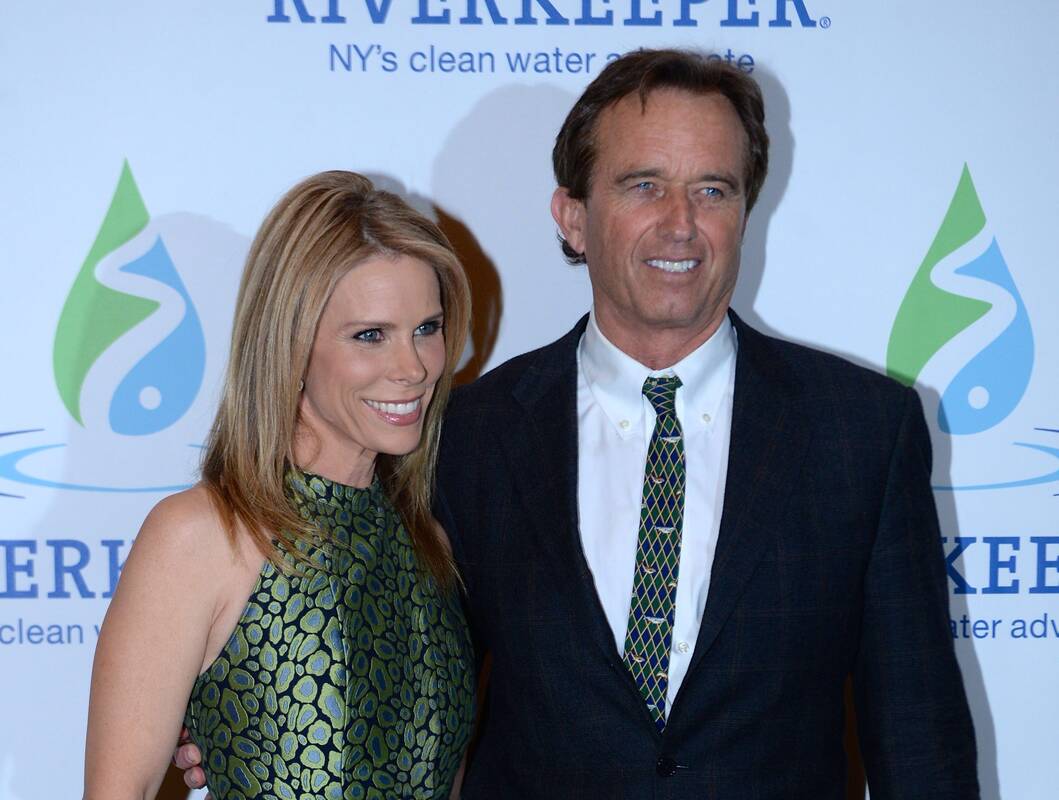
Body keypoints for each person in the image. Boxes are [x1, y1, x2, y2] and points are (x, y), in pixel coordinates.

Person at [179, 50, 979, 798]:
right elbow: (400, 687)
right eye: (643, 185)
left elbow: (920, 741)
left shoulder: (860, 433)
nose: (680, 222)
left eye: (713, 189)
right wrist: (256, 720)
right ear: (571, 216)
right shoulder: (462, 437)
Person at [85, 171, 475, 800]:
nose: (414, 368)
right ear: (289, 345)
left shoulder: (429, 546)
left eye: (427, 329)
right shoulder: (204, 536)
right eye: (370, 335)